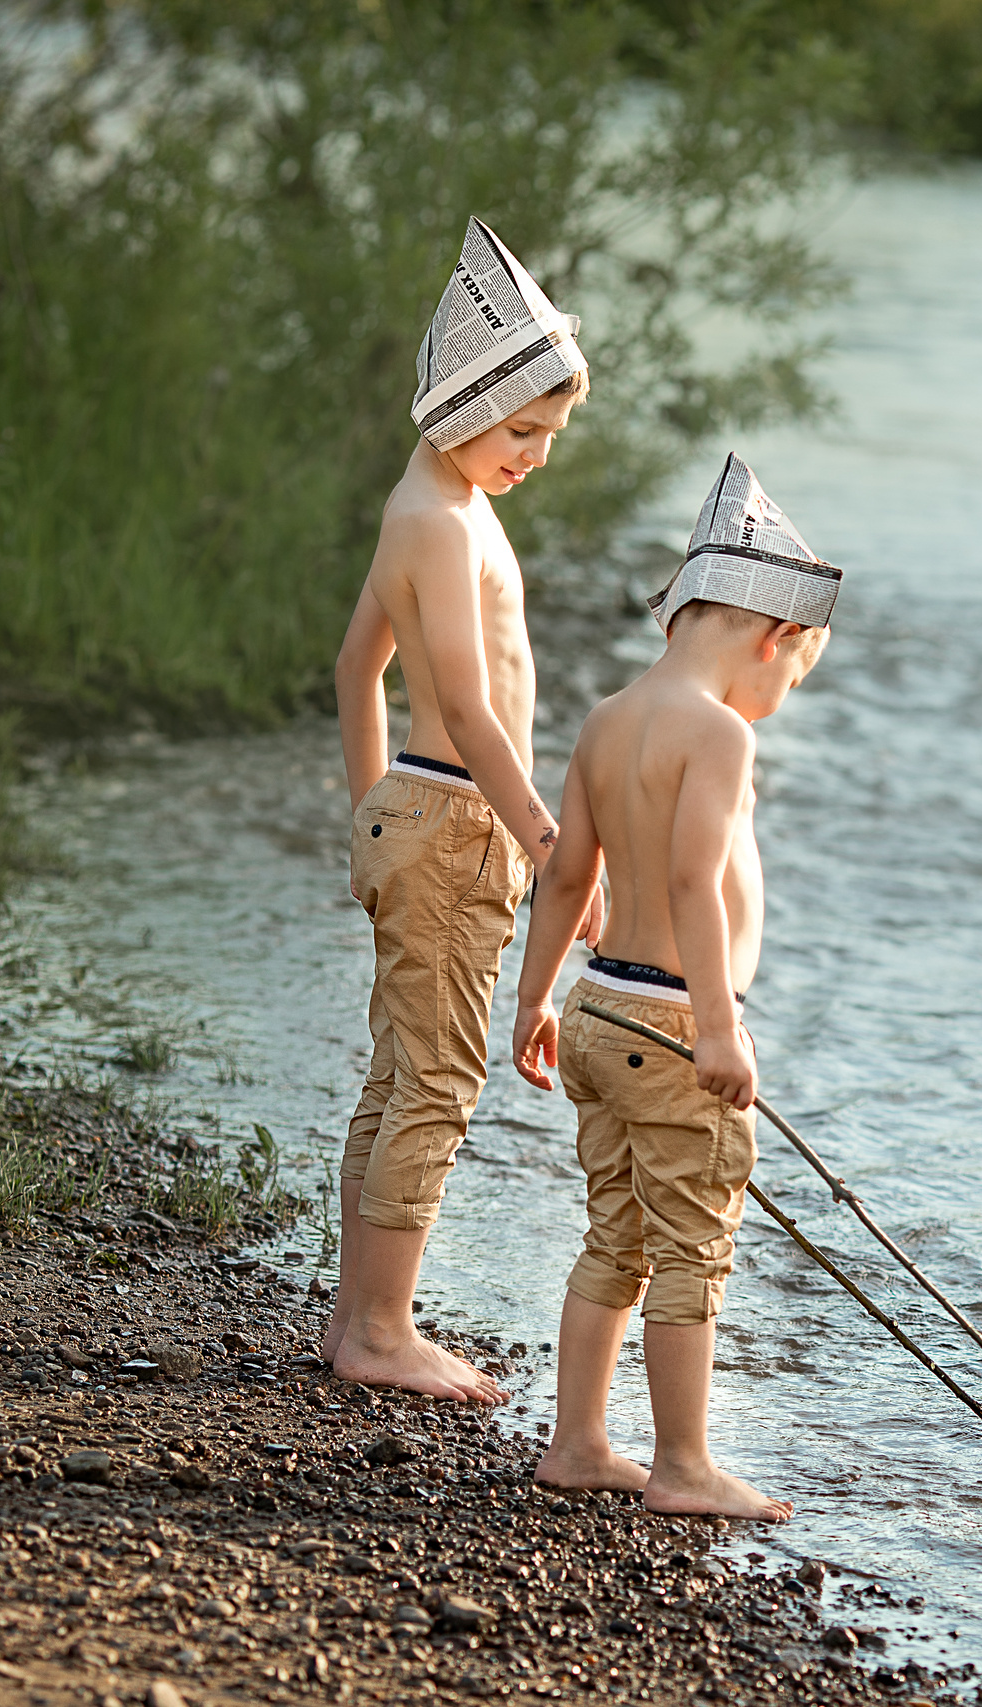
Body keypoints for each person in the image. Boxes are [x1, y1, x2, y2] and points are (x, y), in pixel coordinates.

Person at [510, 452, 842, 1519]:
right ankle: (685, 1466)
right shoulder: (719, 732)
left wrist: (533, 1001)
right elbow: (695, 879)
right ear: (772, 635)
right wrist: (717, 1030)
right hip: (670, 1020)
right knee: (694, 1247)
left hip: (598, 1009)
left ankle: (577, 1442)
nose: (780, 699)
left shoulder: (608, 718)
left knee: (616, 1234)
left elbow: (567, 871)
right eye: (793, 678)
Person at [319, 217, 605, 1403]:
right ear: (459, 406)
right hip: (454, 818)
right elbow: (476, 713)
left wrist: (368, 808)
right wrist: (546, 840)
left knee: (397, 1072)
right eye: (523, 429)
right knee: (434, 1081)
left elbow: (354, 672)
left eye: (551, 435)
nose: (537, 454)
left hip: (418, 811)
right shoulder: (440, 522)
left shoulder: (431, 508)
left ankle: (356, 1319)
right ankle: (381, 1330)